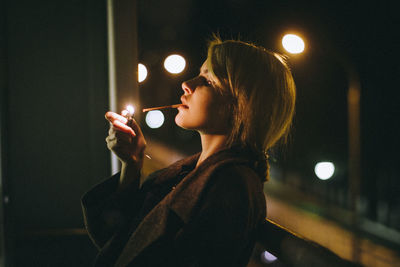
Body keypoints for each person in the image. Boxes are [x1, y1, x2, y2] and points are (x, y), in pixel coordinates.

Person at [81, 36, 296, 267]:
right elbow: (119, 241)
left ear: (241, 106)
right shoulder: (190, 173)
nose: (187, 83)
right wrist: (132, 164)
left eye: (208, 80)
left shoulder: (231, 187)